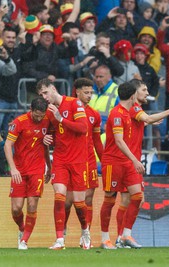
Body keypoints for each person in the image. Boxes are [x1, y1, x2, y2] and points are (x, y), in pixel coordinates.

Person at [107, 79, 169, 249]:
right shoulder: (130, 109)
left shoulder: (135, 109)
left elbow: (146, 119)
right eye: (144, 90)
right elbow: (147, 119)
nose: (147, 93)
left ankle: (123, 237)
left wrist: (151, 119)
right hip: (121, 161)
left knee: (132, 199)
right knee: (130, 198)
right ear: (134, 93)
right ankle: (121, 236)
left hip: (131, 160)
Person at [37, 78, 90, 250]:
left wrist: (61, 118)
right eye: (40, 95)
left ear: (53, 88)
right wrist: (45, 138)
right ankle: (60, 239)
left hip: (79, 160)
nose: (43, 97)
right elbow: (51, 133)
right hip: (60, 159)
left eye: (45, 92)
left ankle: (85, 231)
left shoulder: (74, 103)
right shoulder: (49, 111)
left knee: (79, 203)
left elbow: (83, 129)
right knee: (59, 196)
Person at [100, 82, 144, 249]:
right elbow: (119, 141)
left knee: (137, 196)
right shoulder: (116, 114)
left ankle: (126, 235)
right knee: (110, 199)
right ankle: (105, 239)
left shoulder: (127, 113)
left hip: (127, 162)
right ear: (133, 96)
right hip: (113, 162)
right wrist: (135, 160)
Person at [4, 97, 51, 250]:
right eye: (36, 114)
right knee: (16, 208)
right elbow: (7, 145)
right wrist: (13, 168)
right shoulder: (19, 122)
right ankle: (21, 228)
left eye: (41, 115)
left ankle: (24, 240)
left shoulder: (47, 120)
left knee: (32, 205)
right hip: (19, 169)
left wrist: (49, 168)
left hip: (37, 170)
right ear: (31, 110)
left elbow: (45, 147)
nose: (39, 118)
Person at [64, 78, 103, 238]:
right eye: (86, 92)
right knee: (67, 201)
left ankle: (85, 233)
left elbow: (97, 141)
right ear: (77, 92)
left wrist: (105, 162)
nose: (89, 96)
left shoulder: (94, 114)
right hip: (71, 160)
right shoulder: (68, 109)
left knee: (88, 198)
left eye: (91, 93)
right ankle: (62, 233)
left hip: (89, 161)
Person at [89, 65, 120, 129]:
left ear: (109, 77)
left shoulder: (117, 91)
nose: (98, 79)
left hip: (106, 132)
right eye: (96, 77)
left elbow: (121, 114)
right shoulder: (90, 90)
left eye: (101, 77)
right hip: (89, 129)